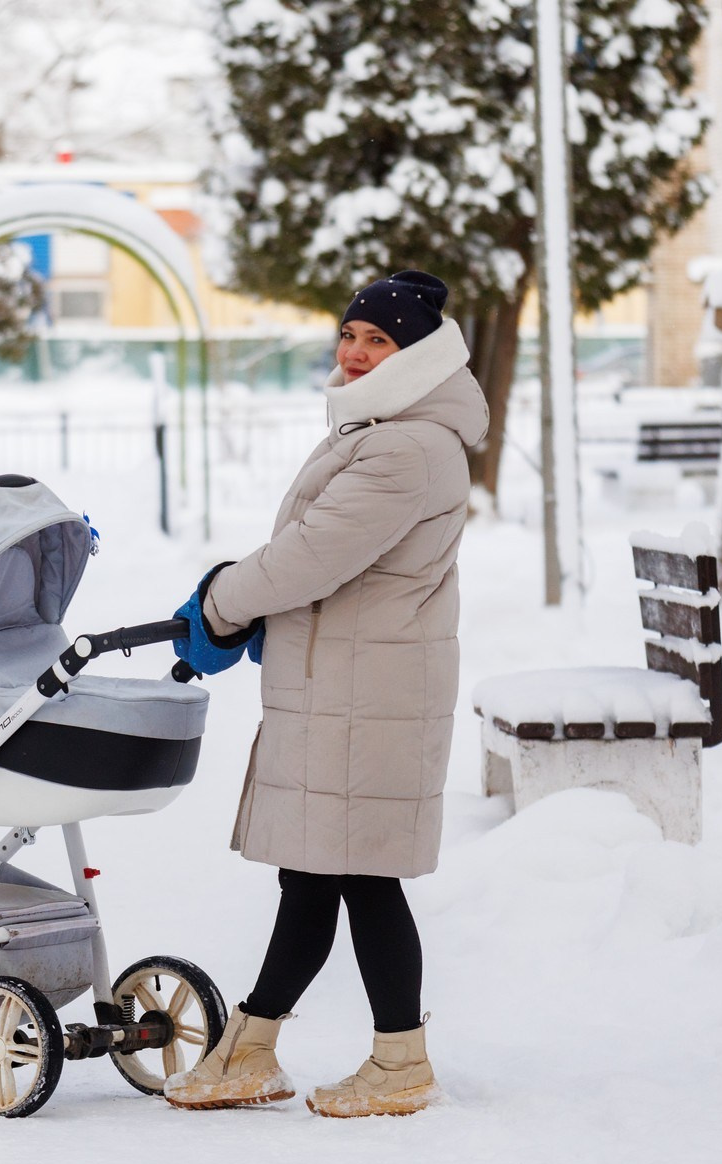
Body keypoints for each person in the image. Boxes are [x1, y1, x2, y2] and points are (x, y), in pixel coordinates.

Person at [165, 270, 485, 1118]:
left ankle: (397, 1063)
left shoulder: (406, 447)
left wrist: (222, 602)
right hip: (346, 680)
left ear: (415, 353)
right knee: (313, 875)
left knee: (360, 875)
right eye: (350, 334)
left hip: (365, 691)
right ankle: (254, 1046)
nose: (354, 351)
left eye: (377, 340)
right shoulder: (384, 427)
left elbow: (312, 552)